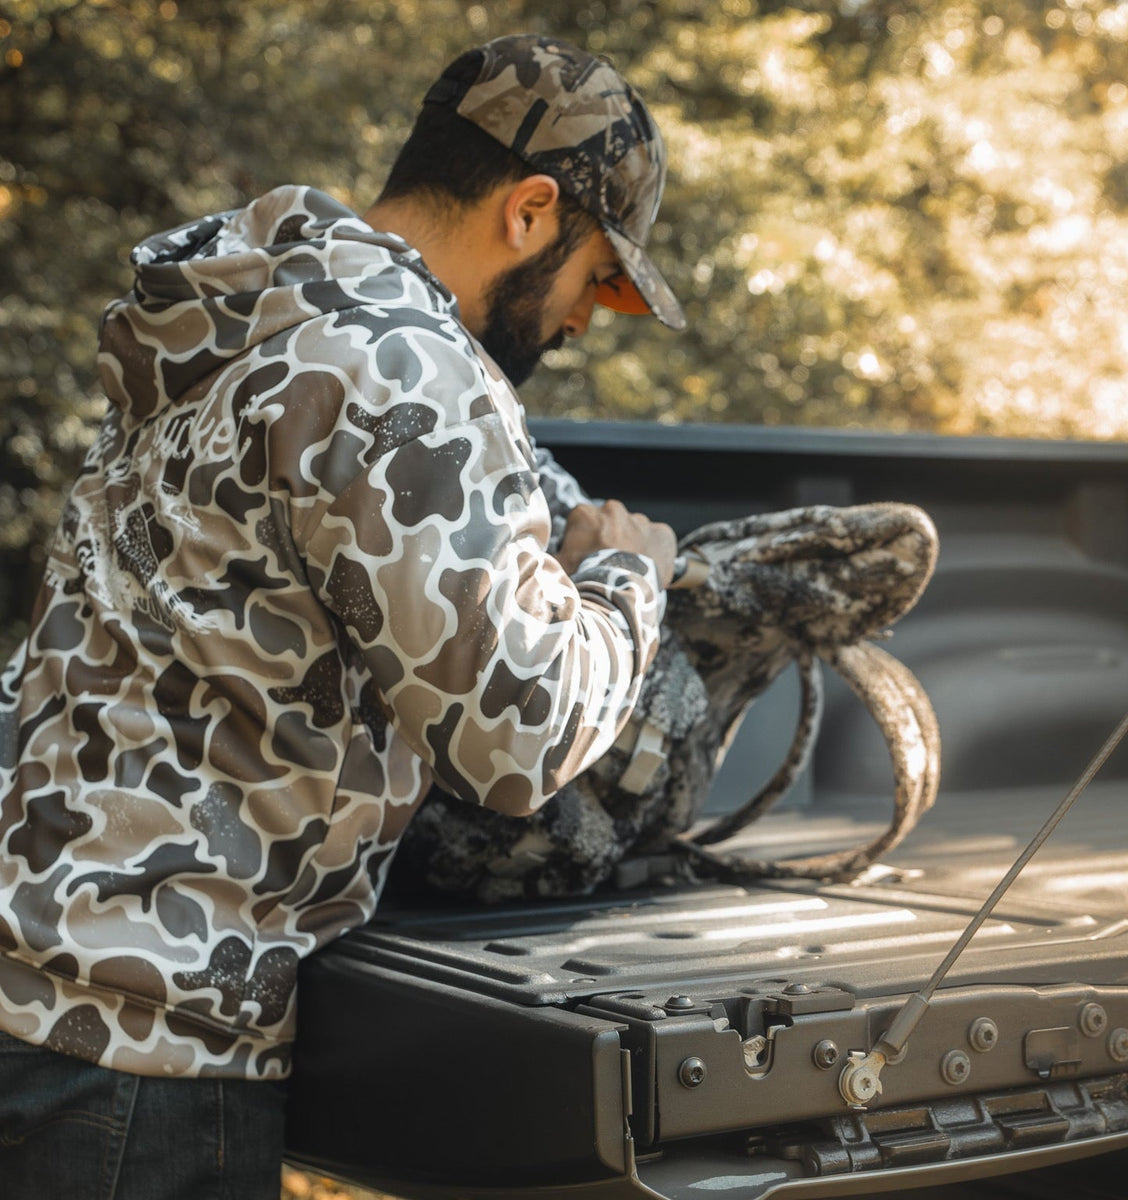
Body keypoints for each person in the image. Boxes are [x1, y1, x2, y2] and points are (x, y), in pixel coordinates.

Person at [0, 33, 683, 1198]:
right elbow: (520, 738)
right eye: (599, 278)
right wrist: (626, 580)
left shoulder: (244, 304)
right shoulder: (405, 366)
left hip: (45, 977)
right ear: (528, 212)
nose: (586, 320)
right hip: (140, 1046)